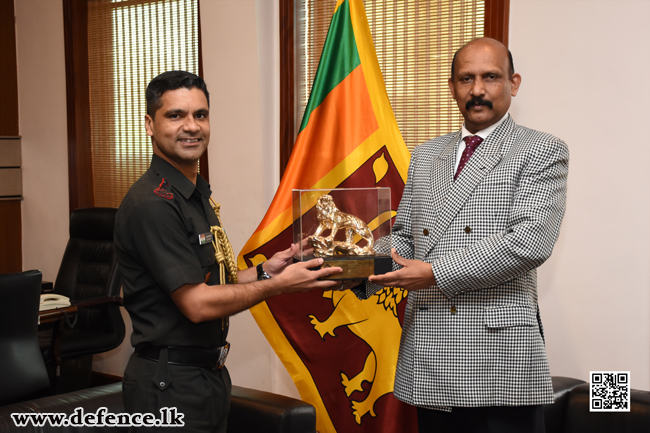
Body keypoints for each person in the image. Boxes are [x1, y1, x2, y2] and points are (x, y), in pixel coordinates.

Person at [353, 38, 569, 433]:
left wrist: (433, 273)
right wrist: (353, 262)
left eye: (490, 77)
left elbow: (529, 242)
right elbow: (406, 238)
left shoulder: (541, 149)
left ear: (513, 83)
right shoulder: (425, 154)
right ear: (452, 86)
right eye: (466, 79)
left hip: (498, 360)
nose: (477, 90)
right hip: (430, 352)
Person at [114, 70, 342, 432]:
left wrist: (269, 271)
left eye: (200, 115)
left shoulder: (192, 193)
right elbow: (198, 304)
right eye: (175, 116)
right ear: (149, 124)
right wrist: (279, 287)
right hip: (169, 387)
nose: (191, 126)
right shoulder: (153, 205)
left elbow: (213, 282)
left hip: (204, 378)